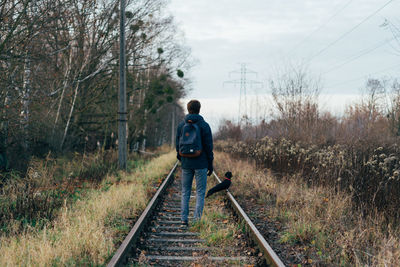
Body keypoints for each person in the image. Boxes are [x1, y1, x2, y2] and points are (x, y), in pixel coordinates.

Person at [176, 100, 213, 227]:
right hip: (201, 163)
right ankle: (197, 221)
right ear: (199, 109)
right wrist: (210, 163)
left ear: (188, 109)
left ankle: (183, 220)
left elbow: (177, 146)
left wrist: (182, 159)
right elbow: (208, 147)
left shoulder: (181, 125)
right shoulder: (204, 126)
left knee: (185, 191)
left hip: (186, 163)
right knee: (200, 192)